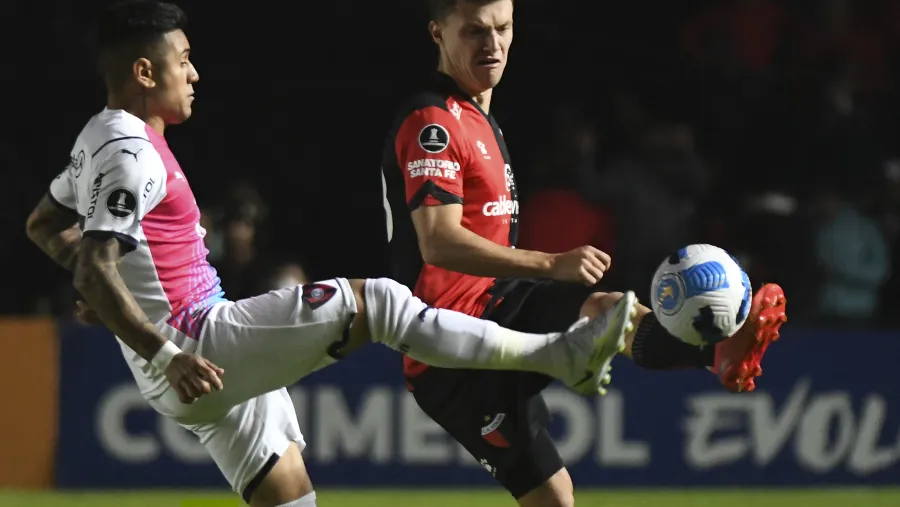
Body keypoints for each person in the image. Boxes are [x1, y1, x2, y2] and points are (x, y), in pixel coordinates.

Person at [23, 2, 638, 507]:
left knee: (289, 497)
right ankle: (560, 355)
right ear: (144, 72)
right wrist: (159, 344)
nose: (194, 73)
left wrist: (112, 297)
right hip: (196, 346)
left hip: (193, 362)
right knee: (379, 302)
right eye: (183, 61)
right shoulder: (131, 153)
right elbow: (98, 263)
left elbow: (45, 224)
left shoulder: (97, 137)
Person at [379, 1, 789, 505]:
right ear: (438, 33)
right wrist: (550, 264)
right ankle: (713, 354)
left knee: (555, 497)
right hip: (449, 337)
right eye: (474, 31)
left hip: (488, 312)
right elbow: (437, 241)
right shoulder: (433, 121)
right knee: (601, 311)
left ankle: (716, 356)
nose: (493, 44)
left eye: (503, 28)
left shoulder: (479, 117)